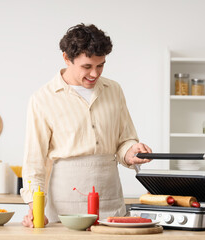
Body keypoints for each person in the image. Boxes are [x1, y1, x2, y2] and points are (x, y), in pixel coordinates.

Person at [21, 23, 152, 228]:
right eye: (87, 66)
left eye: (100, 65)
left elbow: (125, 140)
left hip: (110, 201)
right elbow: (34, 161)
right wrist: (33, 208)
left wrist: (131, 151)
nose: (95, 73)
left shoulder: (114, 90)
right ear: (66, 58)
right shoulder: (42, 99)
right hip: (64, 205)